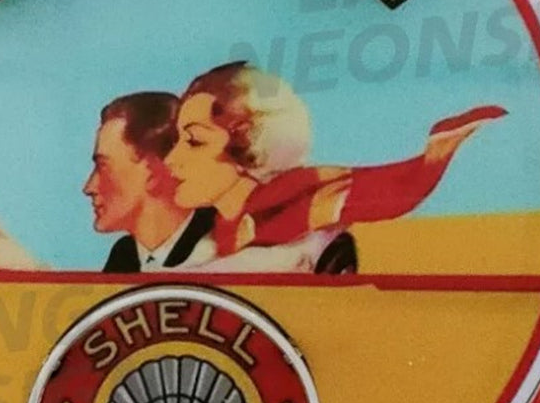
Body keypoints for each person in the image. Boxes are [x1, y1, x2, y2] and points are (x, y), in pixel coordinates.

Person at [163, 62, 506, 259]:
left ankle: (437, 151)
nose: (171, 159)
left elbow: (381, 193)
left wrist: (433, 159)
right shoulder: (212, 232)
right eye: (177, 139)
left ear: (245, 145)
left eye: (194, 141)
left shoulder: (291, 206)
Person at [82, 92, 216, 272]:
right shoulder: (123, 256)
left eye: (103, 167)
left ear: (153, 171)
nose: (88, 187)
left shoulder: (223, 244)